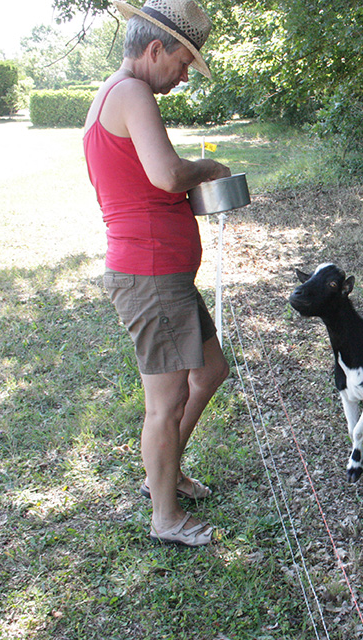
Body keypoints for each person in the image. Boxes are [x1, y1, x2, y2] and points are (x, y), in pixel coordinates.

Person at [83, 0, 231, 547]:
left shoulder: (115, 93)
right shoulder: (132, 92)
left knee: (211, 369)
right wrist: (211, 168)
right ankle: (165, 516)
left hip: (160, 271)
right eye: (184, 61)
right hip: (149, 274)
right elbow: (167, 175)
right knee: (164, 404)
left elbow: (142, 180)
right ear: (154, 49)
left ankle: (161, 477)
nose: (185, 74)